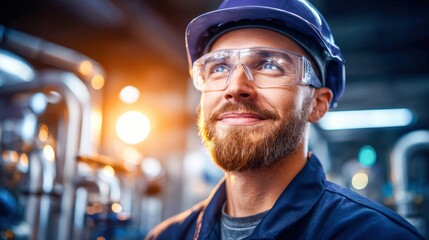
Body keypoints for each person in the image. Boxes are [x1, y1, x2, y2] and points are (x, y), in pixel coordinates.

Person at [145, 0, 425, 239]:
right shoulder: (168, 236)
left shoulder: (374, 234)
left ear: (317, 104)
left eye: (270, 65)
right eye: (219, 67)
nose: (234, 87)